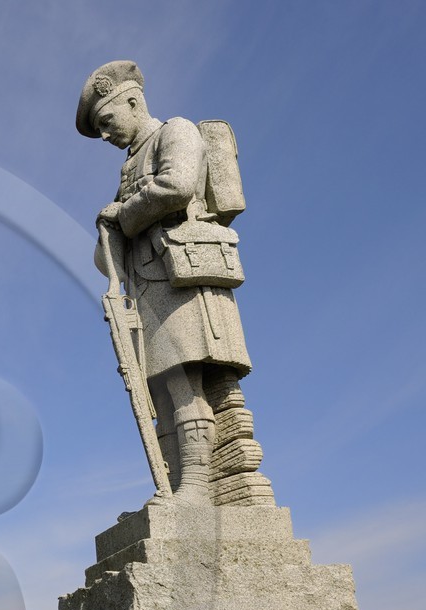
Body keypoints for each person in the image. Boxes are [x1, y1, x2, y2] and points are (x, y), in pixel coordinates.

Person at [78, 61, 272, 506]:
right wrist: (109, 230)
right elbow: (109, 261)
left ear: (133, 101)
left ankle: (198, 490)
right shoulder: (128, 169)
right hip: (149, 287)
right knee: (166, 387)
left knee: (186, 381)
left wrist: (123, 215)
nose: (106, 136)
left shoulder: (175, 132)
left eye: (107, 122)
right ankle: (183, 483)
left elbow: (179, 185)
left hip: (184, 278)